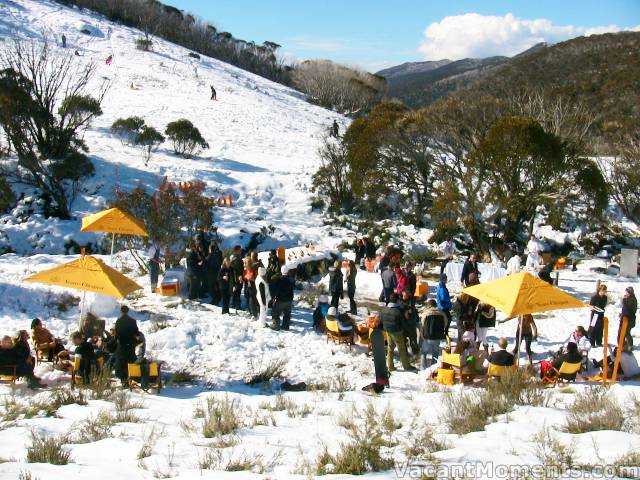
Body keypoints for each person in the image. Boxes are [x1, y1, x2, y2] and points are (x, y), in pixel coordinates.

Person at [381, 293, 416, 372]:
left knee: (390, 348)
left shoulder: (384, 309)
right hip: (397, 331)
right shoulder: (398, 311)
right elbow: (403, 323)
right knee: (402, 349)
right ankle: (406, 366)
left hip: (388, 330)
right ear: (397, 300)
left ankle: (390, 366)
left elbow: (382, 320)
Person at [114, 306, 139, 385]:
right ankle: (131, 379)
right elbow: (137, 333)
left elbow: (116, 335)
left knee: (121, 364)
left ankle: (124, 382)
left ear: (121, 311)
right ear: (128, 311)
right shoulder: (133, 321)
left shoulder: (118, 321)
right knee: (130, 362)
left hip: (122, 346)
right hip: (131, 345)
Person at [420, 299, 447, 369]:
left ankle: (423, 367)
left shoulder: (426, 313)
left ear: (429, 305)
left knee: (423, 352)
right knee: (435, 352)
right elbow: (445, 323)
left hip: (428, 335)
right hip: (438, 335)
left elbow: (422, 323)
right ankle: (433, 367)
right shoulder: (441, 313)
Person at [272, 266, 294, 331]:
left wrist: (274, 297)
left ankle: (276, 325)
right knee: (287, 314)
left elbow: (276, 289)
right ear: (288, 271)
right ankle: (285, 326)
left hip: (280, 300)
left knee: (275, 313)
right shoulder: (291, 279)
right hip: (289, 300)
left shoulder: (279, 280)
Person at [399, 288, 419, 356]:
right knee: (403, 340)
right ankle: (405, 354)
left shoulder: (412, 299)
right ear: (402, 293)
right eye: (405, 295)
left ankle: (415, 353)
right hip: (402, 324)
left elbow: (412, 309)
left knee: (413, 339)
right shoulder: (399, 301)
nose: (406, 297)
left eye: (408, 295)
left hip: (411, 323)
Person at [229, 246, 244, 312]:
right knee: (237, 291)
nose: (240, 251)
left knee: (236, 291)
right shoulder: (236, 259)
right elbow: (239, 269)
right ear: (236, 251)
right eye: (239, 250)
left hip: (234, 277)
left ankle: (234, 304)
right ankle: (237, 306)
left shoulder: (232, 257)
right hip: (237, 277)